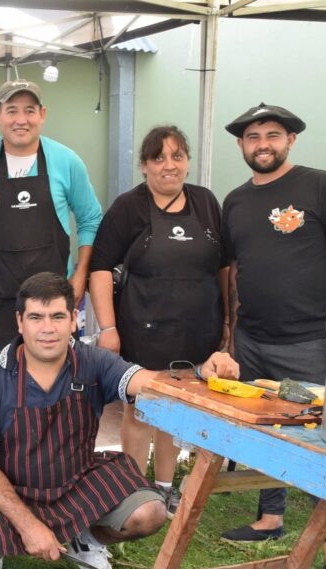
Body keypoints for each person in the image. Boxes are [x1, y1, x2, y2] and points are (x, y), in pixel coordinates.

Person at [0, 272, 239, 569]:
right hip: (13, 487)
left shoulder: (94, 362)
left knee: (150, 513)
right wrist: (28, 525)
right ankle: (3, 544)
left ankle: (85, 540)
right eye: (36, 317)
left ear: (74, 319)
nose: (47, 328)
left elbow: (151, 384)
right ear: (19, 322)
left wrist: (199, 372)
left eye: (58, 316)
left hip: (75, 482)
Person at [218, 103, 326, 569]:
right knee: (264, 434)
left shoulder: (320, 185)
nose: (263, 143)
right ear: (241, 145)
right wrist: (229, 335)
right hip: (253, 339)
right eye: (253, 136)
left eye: (273, 135)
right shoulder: (235, 202)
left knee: (323, 439)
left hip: (310, 340)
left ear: (291, 140)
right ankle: (270, 518)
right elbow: (233, 272)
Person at [88, 125, 229, 517]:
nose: (169, 166)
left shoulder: (205, 202)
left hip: (197, 328)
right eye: (159, 158)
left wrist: (229, 323)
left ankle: (165, 489)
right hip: (142, 326)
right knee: (140, 409)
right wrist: (108, 328)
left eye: (177, 156)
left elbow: (224, 267)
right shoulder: (128, 207)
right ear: (145, 166)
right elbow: (99, 268)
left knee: (176, 409)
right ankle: (134, 489)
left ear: (187, 162)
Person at [0, 80, 103, 368]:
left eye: (29, 111)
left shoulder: (66, 161)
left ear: (42, 114)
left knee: (55, 391)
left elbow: (90, 217)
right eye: (12, 111)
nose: (21, 120)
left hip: (52, 304)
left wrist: (81, 273)